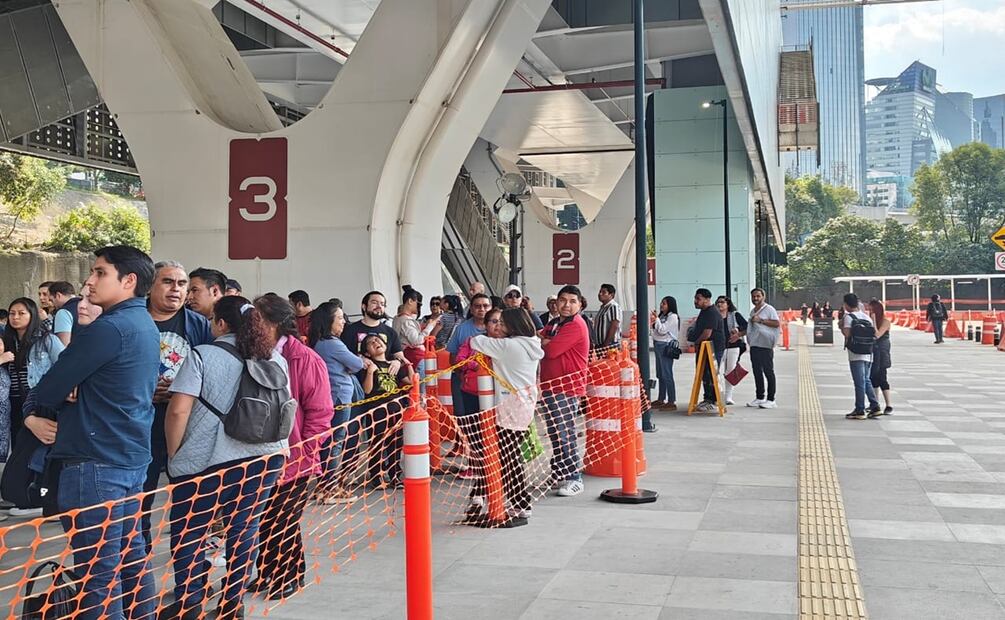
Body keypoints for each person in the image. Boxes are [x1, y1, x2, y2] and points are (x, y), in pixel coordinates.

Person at [27, 245, 159, 620]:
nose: (89, 281)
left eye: (100, 272)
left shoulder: (110, 328)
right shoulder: (142, 323)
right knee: (130, 558)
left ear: (128, 281)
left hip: (95, 464)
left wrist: (73, 379)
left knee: (96, 575)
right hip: (128, 459)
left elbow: (49, 389)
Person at [162, 296, 289, 619]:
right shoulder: (274, 357)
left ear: (219, 323)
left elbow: (178, 410)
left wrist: (175, 456)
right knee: (244, 529)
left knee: (190, 531)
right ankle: (233, 605)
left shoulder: (203, 355)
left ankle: (190, 603)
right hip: (265, 459)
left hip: (208, 462)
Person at [251, 294, 332, 601]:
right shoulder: (257, 354)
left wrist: (305, 451)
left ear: (274, 323)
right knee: (264, 517)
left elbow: (321, 413)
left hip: (296, 456)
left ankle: (291, 575)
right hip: (263, 454)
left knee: (284, 519)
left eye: (256, 319)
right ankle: (267, 571)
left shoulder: (305, 359)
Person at [143, 260, 213, 552]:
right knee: (139, 499)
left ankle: (190, 572)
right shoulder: (133, 319)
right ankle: (137, 563)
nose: (176, 289)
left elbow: (210, 372)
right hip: (139, 426)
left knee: (188, 501)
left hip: (184, 427)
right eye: (168, 282)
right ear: (150, 286)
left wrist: (180, 391)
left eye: (182, 284)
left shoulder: (199, 325)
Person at [468, 307, 543, 520]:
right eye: (495, 322)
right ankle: (506, 500)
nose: (497, 326)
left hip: (511, 405)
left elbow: (476, 342)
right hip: (523, 403)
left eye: (501, 323)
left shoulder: (509, 346)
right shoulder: (531, 343)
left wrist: (490, 334)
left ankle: (521, 504)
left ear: (513, 325)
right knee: (507, 455)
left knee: (507, 458)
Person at [309, 302, 364, 503]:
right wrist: (352, 364)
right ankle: (328, 488)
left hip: (333, 396)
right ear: (329, 321)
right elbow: (357, 364)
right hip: (339, 397)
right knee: (335, 442)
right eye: (340, 318)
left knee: (330, 442)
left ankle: (326, 485)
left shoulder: (320, 342)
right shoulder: (332, 343)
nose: (343, 322)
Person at [540, 285, 590, 497]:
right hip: (550, 385)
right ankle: (560, 473)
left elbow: (550, 351)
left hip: (567, 387)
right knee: (555, 432)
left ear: (580, 304)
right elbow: (539, 338)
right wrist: (544, 340)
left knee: (565, 432)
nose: (566, 305)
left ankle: (574, 477)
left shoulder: (576, 325)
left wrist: (543, 342)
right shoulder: (554, 323)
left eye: (572, 301)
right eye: (563, 300)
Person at [2, 298, 64, 457]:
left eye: (21, 313)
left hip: (36, 400)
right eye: (12, 313)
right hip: (12, 401)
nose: (15, 317)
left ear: (32, 315)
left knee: (37, 448)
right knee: (18, 446)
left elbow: (64, 365)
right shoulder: (6, 341)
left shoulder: (47, 339)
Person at [447, 294, 491, 416]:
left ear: (490, 308)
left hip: (491, 380)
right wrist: (462, 375)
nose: (482, 309)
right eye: (477, 306)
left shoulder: (497, 327)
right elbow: (453, 357)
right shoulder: (461, 329)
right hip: (463, 378)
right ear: (471, 309)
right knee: (463, 415)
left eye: (485, 306)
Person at [841, 293, 881, 420]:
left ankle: (860, 410)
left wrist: (841, 326)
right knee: (866, 380)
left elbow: (847, 334)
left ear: (846, 305)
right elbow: (874, 333)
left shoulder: (849, 317)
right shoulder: (866, 317)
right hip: (869, 353)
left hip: (856, 353)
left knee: (859, 382)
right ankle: (875, 407)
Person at [340, 291, 406, 366]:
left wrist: (397, 361)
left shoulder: (391, 332)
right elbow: (342, 356)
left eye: (382, 304)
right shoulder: (349, 330)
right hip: (359, 376)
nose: (379, 306)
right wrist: (359, 360)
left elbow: (399, 355)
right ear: (364, 307)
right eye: (374, 303)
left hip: (386, 376)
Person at [691, 288, 725, 413]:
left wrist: (696, 342)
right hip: (705, 348)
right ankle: (707, 398)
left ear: (707, 299)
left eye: (698, 299)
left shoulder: (711, 312)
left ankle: (713, 401)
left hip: (713, 348)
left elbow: (707, 333)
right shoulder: (704, 312)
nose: (695, 301)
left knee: (711, 374)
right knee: (704, 373)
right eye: (695, 298)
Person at [747, 288, 780, 409]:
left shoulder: (769, 309)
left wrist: (761, 320)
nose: (755, 298)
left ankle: (771, 399)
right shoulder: (752, 311)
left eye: (758, 296)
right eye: (753, 296)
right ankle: (760, 397)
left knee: (768, 371)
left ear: (763, 297)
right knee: (757, 371)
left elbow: (777, 323)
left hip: (766, 345)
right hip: (755, 345)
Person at [393, 285, 438, 367]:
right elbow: (416, 341)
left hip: (407, 359)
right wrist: (429, 327)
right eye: (418, 304)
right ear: (410, 301)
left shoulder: (397, 318)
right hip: (416, 359)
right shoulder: (406, 321)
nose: (419, 307)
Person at [716, 296, 748, 406]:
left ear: (728, 304)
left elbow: (746, 326)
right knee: (716, 371)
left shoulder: (734, 315)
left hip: (733, 346)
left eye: (722, 302)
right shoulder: (715, 316)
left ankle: (728, 396)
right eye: (718, 302)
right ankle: (716, 395)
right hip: (718, 347)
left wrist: (738, 331)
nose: (720, 304)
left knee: (730, 371)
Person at [651, 295, 680, 411]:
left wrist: (656, 319)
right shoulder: (663, 316)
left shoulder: (673, 317)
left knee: (667, 373)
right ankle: (661, 398)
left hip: (665, 346)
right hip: (658, 345)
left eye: (664, 303)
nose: (661, 305)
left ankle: (671, 401)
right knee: (660, 374)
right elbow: (656, 329)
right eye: (661, 303)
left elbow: (662, 330)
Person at [868, 298, 893, 417]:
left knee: (882, 377)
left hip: (882, 351)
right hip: (872, 351)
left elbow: (877, 334)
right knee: (873, 377)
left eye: (871, 310)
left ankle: (888, 404)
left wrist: (873, 321)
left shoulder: (885, 321)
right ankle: (875, 403)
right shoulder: (869, 321)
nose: (869, 312)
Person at [48, 281, 80, 345]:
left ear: (58, 295)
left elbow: (63, 346)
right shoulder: (87, 307)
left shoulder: (63, 312)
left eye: (51, 300)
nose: (52, 304)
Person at [594, 283, 622, 350]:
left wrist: (606, 344)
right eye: (600, 292)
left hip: (610, 345)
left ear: (611, 295)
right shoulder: (603, 308)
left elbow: (614, 325)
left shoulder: (613, 306)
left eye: (604, 292)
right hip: (600, 345)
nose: (600, 294)